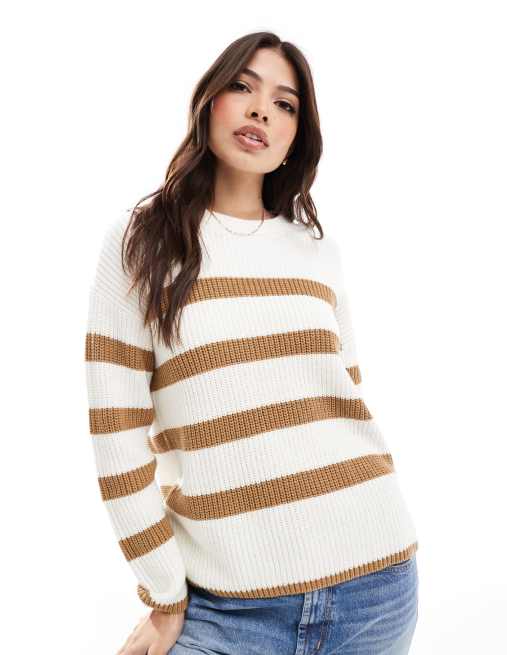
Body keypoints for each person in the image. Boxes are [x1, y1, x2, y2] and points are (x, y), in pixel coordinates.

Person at [84, 31, 419, 655]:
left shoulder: (316, 250)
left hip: (374, 588)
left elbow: (344, 397)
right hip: (226, 609)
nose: (261, 110)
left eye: (284, 104)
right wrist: (164, 595)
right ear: (209, 100)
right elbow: (115, 432)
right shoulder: (141, 243)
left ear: (296, 135)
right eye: (243, 86)